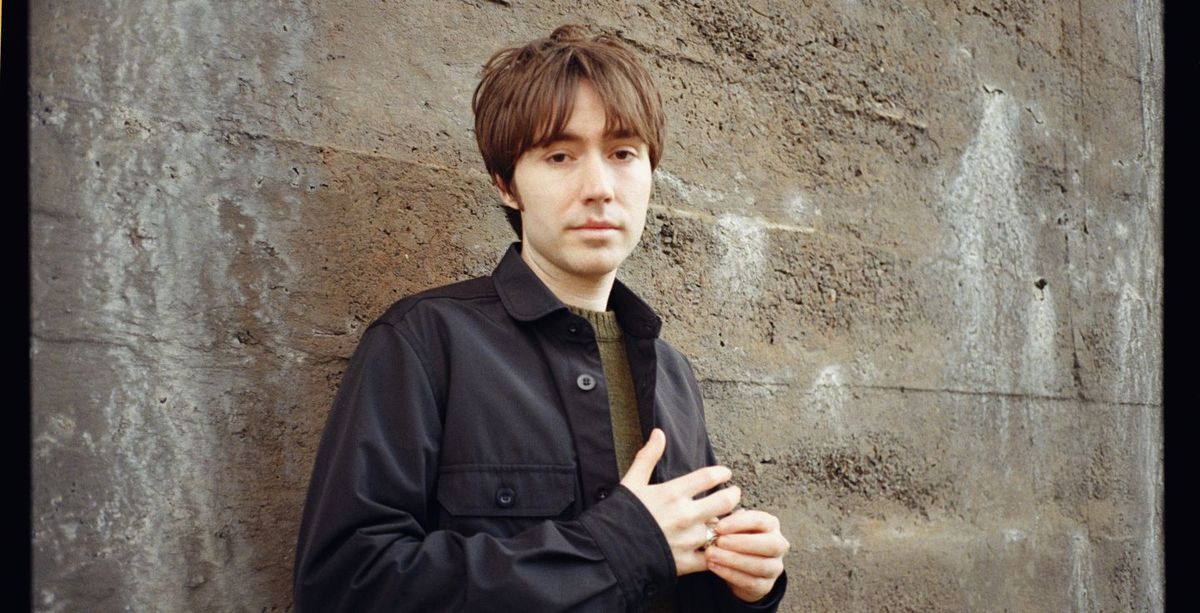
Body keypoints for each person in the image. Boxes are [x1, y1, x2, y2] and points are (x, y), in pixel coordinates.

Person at [293, 24, 789, 612]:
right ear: (507, 185)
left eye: (623, 154)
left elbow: (671, 576)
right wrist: (618, 547)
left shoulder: (672, 372)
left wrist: (743, 584)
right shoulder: (424, 343)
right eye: (559, 156)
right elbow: (345, 586)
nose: (599, 188)